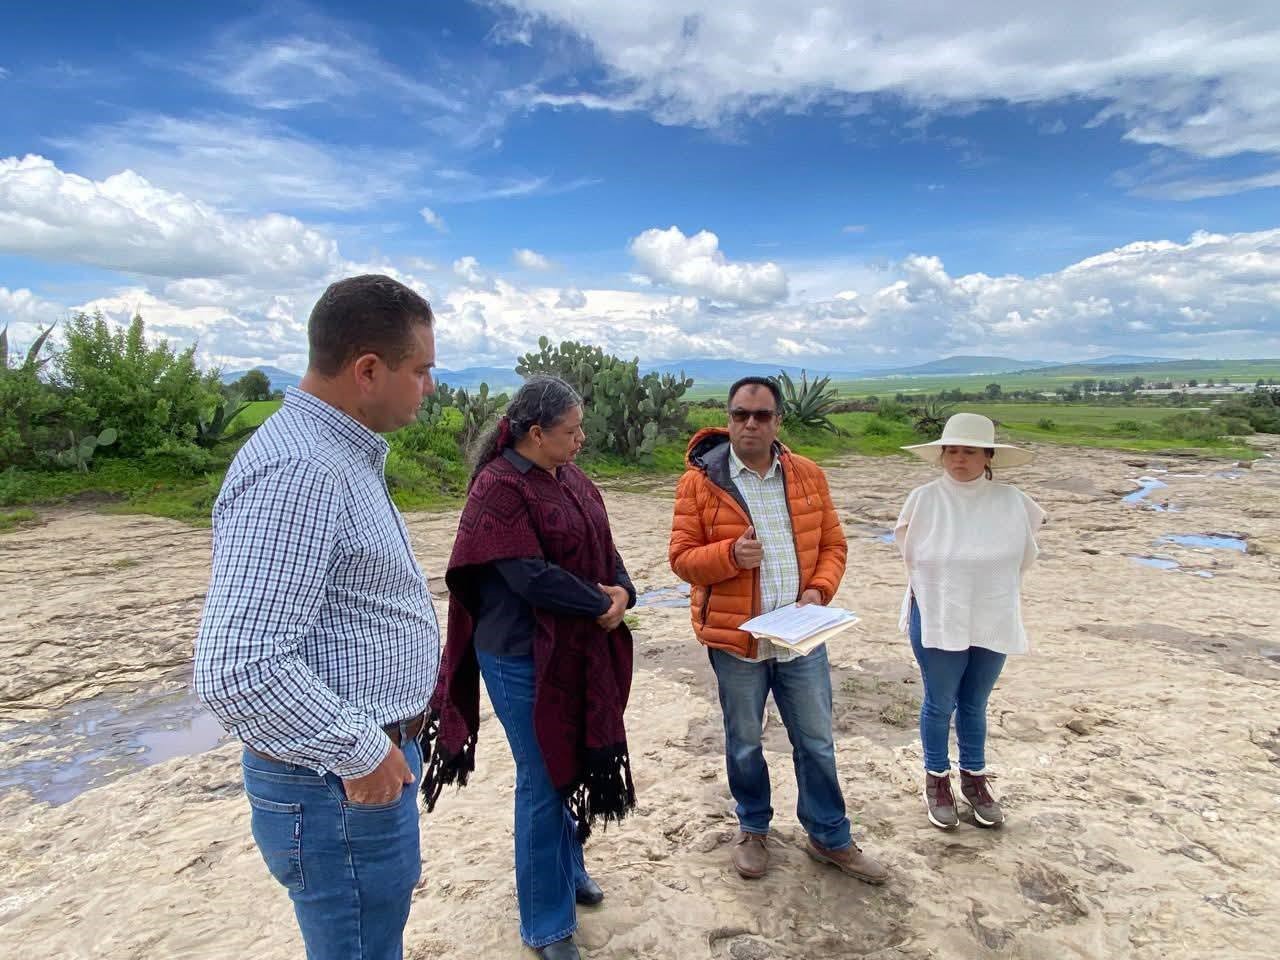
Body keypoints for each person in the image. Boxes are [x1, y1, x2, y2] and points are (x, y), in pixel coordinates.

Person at [194, 274, 441, 960]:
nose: (428, 388)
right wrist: (362, 752)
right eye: (421, 371)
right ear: (368, 370)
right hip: (336, 784)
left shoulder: (335, 454)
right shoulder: (303, 470)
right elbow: (238, 668)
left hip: (348, 775)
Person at [424, 376, 636, 960]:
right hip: (518, 655)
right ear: (537, 433)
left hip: (573, 645)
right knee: (544, 777)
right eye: (572, 431)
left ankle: (567, 871)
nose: (581, 440)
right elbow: (528, 576)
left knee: (572, 761)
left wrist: (624, 592)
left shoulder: (570, 477)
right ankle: (545, 924)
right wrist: (601, 604)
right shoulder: (498, 488)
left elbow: (604, 545)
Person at [668, 376, 888, 885]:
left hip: (801, 638)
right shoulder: (700, 484)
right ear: (727, 419)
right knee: (745, 741)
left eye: (761, 415)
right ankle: (753, 828)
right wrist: (730, 555)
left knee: (816, 741)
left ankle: (829, 836)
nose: (751, 423)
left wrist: (819, 592)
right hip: (737, 641)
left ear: (777, 421)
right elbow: (681, 559)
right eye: (741, 414)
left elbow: (833, 545)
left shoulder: (807, 475)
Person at [896, 412, 1046, 830]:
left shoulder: (1012, 501)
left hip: (992, 613)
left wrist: (982, 581)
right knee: (940, 701)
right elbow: (910, 555)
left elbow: (1025, 554)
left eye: (970, 451)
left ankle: (975, 780)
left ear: (988, 456)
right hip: (938, 612)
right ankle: (937, 781)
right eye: (952, 451)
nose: (959, 459)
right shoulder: (924, 500)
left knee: (975, 702)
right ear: (942, 454)